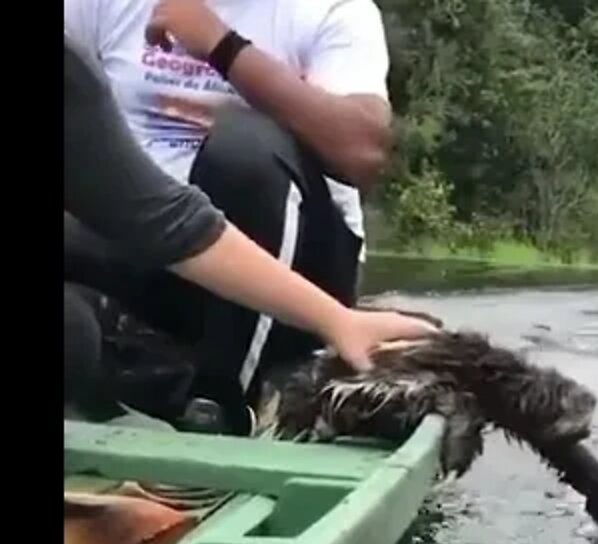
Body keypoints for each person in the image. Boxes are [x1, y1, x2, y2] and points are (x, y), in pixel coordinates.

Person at [64, 31, 434, 420]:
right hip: (118, 257)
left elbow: (171, 222)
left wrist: (338, 321)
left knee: (71, 336)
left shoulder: (71, 79)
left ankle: (224, 405)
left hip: (268, 255)